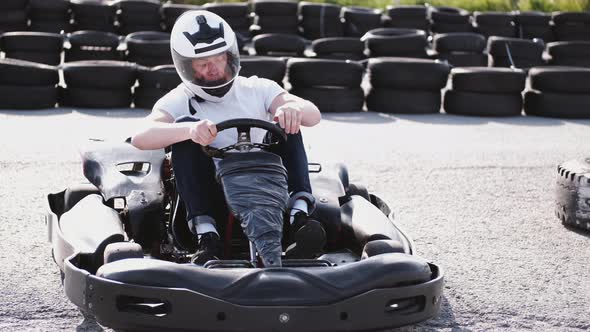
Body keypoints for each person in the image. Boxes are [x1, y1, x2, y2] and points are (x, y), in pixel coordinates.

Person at [131, 10, 326, 265]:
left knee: (290, 123)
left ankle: (299, 219)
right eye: (203, 64)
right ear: (187, 66)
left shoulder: (259, 88)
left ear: (229, 55)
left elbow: (314, 115)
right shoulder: (179, 99)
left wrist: (291, 108)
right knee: (185, 130)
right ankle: (206, 237)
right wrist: (189, 130)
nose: (213, 69)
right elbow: (140, 138)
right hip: (213, 195)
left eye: (218, 58)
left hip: (269, 189)